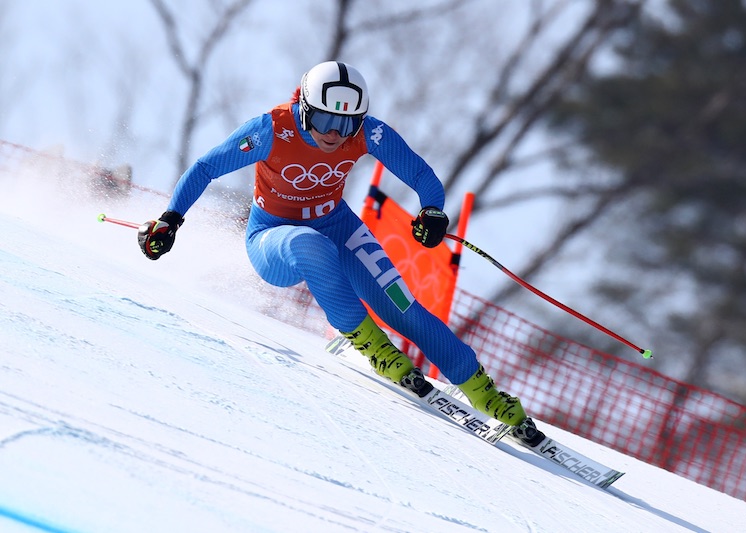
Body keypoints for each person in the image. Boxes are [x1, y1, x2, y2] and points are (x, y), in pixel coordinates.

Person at [138, 61, 544, 445]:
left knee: (405, 307)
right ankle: (374, 347)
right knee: (309, 245)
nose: (335, 133)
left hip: (339, 225)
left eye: (346, 123)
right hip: (273, 237)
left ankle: (486, 393)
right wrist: (171, 219)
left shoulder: (369, 132)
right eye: (326, 120)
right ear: (304, 109)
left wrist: (432, 210)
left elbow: (420, 173)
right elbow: (207, 166)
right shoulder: (270, 129)